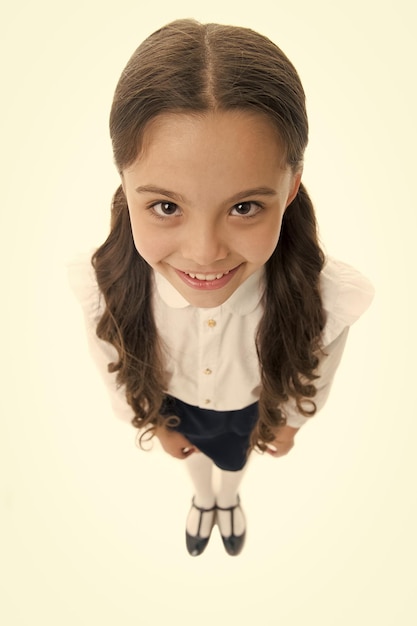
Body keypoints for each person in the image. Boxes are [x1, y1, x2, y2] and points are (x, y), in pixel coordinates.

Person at [69, 19, 374, 557]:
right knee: (195, 466)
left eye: (244, 207)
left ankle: (227, 501)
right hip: (175, 405)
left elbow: (319, 371)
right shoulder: (107, 285)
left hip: (247, 411)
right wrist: (149, 420)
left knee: (233, 461)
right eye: (166, 207)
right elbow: (110, 360)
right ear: (125, 185)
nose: (205, 252)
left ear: (291, 186)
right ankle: (204, 500)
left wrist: (293, 421)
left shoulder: (324, 299)